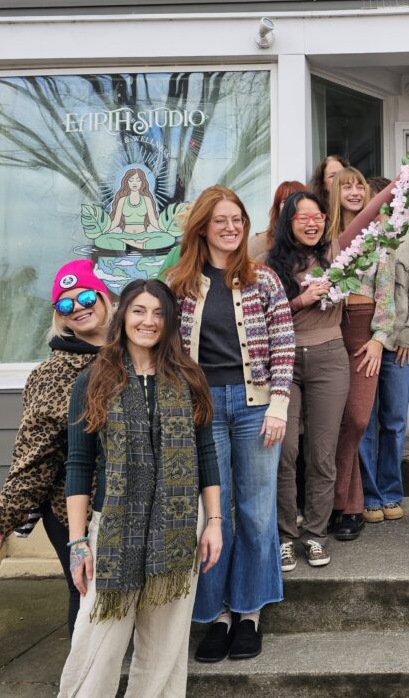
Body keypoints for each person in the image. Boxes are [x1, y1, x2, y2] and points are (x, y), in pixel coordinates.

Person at [57, 279, 222, 698]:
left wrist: (214, 522)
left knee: (166, 642)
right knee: (98, 636)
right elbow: (78, 465)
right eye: (139, 311)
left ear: (170, 322)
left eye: (158, 313)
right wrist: (77, 541)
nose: (148, 321)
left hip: (178, 523)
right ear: (123, 316)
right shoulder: (93, 381)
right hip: (114, 524)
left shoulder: (188, 378)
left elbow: (206, 454)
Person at [167, 185, 296, 663]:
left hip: (255, 406)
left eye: (237, 219)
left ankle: (249, 612)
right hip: (201, 410)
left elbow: (284, 343)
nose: (230, 227)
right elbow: (162, 349)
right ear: (202, 227)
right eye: (220, 220)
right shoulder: (179, 283)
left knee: (257, 511)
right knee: (212, 512)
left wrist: (279, 404)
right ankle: (217, 614)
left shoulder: (264, 280)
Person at [0, 259, 113, 639]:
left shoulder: (136, 356)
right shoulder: (52, 375)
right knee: (86, 592)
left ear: (104, 298)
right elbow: (34, 457)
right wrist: (3, 516)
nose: (78, 307)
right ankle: (84, 671)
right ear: (59, 316)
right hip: (74, 509)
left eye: (85, 297)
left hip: (131, 505)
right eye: (66, 304)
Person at [266, 187, 392, 568]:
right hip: (284, 361)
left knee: (322, 453)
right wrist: (301, 300)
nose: (311, 224)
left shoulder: (338, 253)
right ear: (288, 222)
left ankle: (315, 534)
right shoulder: (271, 263)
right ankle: (285, 535)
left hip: (329, 359)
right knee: (285, 451)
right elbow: (263, 315)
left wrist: (400, 183)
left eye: (317, 217)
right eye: (302, 217)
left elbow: (368, 214)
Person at [324, 168, 395, 539]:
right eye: (346, 186)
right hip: (329, 328)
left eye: (359, 186)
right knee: (332, 419)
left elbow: (387, 290)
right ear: (335, 193)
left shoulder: (379, 235)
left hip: (364, 332)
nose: (354, 191)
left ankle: (336, 500)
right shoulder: (324, 237)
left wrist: (380, 337)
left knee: (357, 419)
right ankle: (348, 507)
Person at [359, 176, 409, 524]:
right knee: (363, 422)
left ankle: (390, 493)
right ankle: (368, 495)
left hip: (399, 346)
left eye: (386, 204)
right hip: (363, 345)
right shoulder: (356, 243)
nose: (381, 210)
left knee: (394, 421)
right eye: (375, 203)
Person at [95, 167, 174, 252]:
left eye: (138, 180)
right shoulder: (122, 200)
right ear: (126, 182)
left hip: (143, 235)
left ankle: (135, 244)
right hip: (125, 236)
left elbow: (154, 221)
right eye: (131, 180)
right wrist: (105, 231)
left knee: (168, 238)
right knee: (101, 240)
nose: (134, 183)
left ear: (142, 182)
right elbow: (115, 222)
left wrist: (164, 230)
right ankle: (137, 245)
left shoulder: (147, 200)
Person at [248, 179, 307, 260]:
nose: (290, 206)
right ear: (277, 208)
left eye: (297, 201)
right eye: (285, 201)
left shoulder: (316, 244)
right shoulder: (258, 243)